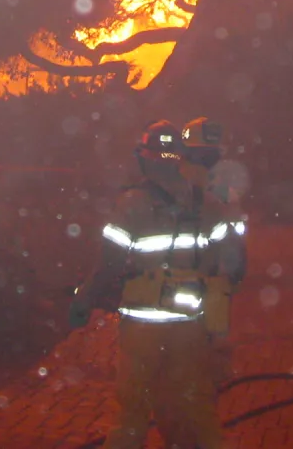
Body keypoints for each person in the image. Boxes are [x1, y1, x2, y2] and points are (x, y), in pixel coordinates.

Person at [70, 119, 247, 449]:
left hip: (142, 328)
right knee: (194, 408)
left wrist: (84, 300)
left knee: (132, 412)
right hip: (190, 326)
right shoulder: (208, 204)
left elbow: (109, 265)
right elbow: (233, 264)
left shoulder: (131, 204)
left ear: (145, 158)